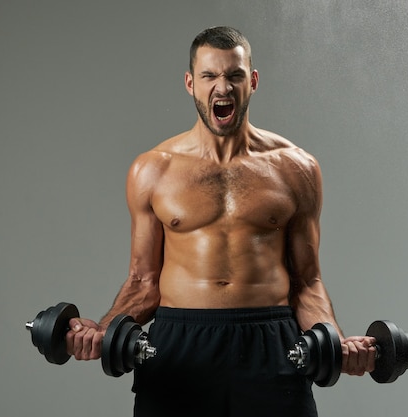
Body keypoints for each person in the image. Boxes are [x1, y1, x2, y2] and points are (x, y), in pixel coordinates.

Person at [66, 26, 376, 417]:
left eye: (235, 75)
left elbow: (306, 281)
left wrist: (333, 341)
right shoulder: (152, 170)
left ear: (254, 81)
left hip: (272, 343)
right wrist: (102, 330)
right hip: (179, 346)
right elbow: (143, 282)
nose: (223, 88)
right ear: (190, 83)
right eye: (210, 76)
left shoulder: (296, 168)